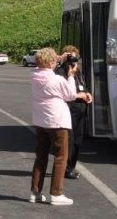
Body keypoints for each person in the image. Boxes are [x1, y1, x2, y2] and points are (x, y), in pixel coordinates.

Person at [30, 47, 78, 206]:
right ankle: (56, 194)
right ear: (51, 62)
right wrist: (71, 76)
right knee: (61, 156)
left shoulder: (35, 75)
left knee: (41, 156)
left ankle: (35, 192)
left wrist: (59, 58)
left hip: (41, 120)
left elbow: (43, 65)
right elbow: (71, 95)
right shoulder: (57, 79)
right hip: (57, 120)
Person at [56, 45, 92, 179]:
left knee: (78, 140)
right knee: (69, 141)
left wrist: (88, 94)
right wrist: (78, 95)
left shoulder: (77, 72)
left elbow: (83, 86)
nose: (72, 61)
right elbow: (63, 93)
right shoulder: (60, 73)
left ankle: (71, 166)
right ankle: (66, 169)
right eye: (69, 58)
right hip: (68, 110)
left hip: (81, 110)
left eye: (74, 58)